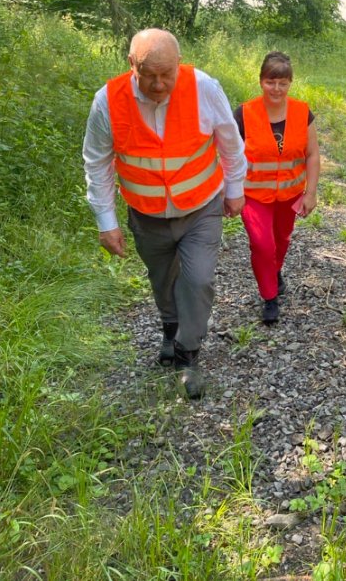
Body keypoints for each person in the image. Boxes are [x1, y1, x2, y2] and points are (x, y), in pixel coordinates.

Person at [83, 28, 247, 400]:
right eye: (149, 74)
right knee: (163, 281)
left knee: (198, 279)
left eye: (167, 74)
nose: (159, 84)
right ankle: (170, 330)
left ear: (179, 63)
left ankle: (189, 354)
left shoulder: (203, 87)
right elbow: (98, 163)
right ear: (131, 65)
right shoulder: (108, 101)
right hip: (146, 215)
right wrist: (106, 223)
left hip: (201, 208)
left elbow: (230, 142)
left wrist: (235, 189)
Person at [233, 52, 320, 324]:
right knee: (262, 245)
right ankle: (269, 297)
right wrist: (230, 193)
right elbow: (229, 156)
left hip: (290, 195)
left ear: (291, 83)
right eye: (271, 82)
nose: (276, 89)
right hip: (254, 195)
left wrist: (311, 192)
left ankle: (275, 271)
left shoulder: (302, 112)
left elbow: (312, 155)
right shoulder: (244, 114)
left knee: (281, 241)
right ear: (261, 81)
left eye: (283, 83)